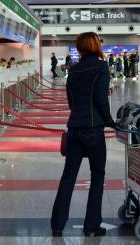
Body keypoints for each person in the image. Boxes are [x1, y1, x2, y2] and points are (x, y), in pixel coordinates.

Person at [51, 32, 115, 237]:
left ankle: (57, 225)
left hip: (74, 129)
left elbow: (71, 100)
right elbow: (100, 100)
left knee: (68, 176)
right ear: (96, 45)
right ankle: (91, 226)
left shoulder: (74, 69)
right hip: (93, 129)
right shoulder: (101, 67)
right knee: (97, 176)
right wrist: (110, 121)